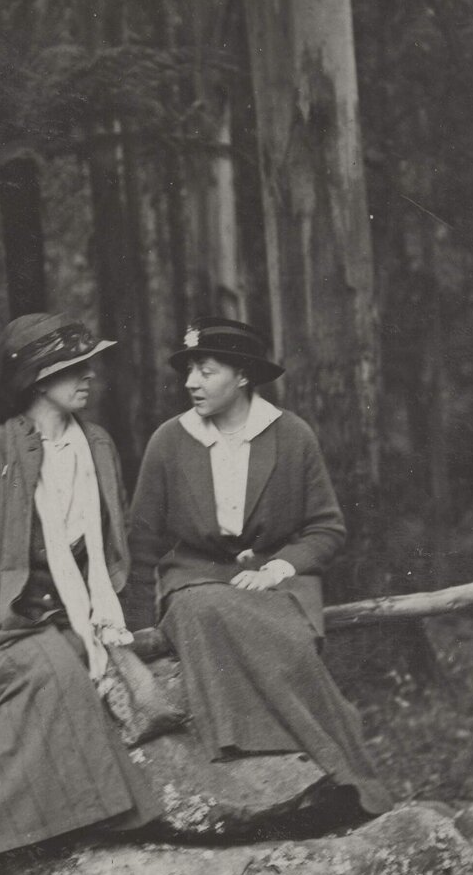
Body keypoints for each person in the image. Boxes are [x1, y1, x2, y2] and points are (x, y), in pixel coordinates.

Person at [0, 312, 161, 874]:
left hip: (81, 615)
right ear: (36, 380)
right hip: (1, 622)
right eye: (74, 367)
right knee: (49, 674)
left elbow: (117, 546)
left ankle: (39, 832)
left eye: (88, 364)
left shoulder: (97, 445)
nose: (89, 375)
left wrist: (123, 620)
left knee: (82, 667)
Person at [126, 317, 391, 818]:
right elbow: (141, 544)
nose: (191, 383)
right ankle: (297, 760)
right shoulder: (169, 440)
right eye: (189, 372)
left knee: (291, 646)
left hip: (275, 582)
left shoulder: (291, 436)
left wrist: (279, 570)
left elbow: (326, 529)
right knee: (204, 607)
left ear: (243, 376)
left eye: (206, 371)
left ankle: (341, 773)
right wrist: (140, 625)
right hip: (194, 580)